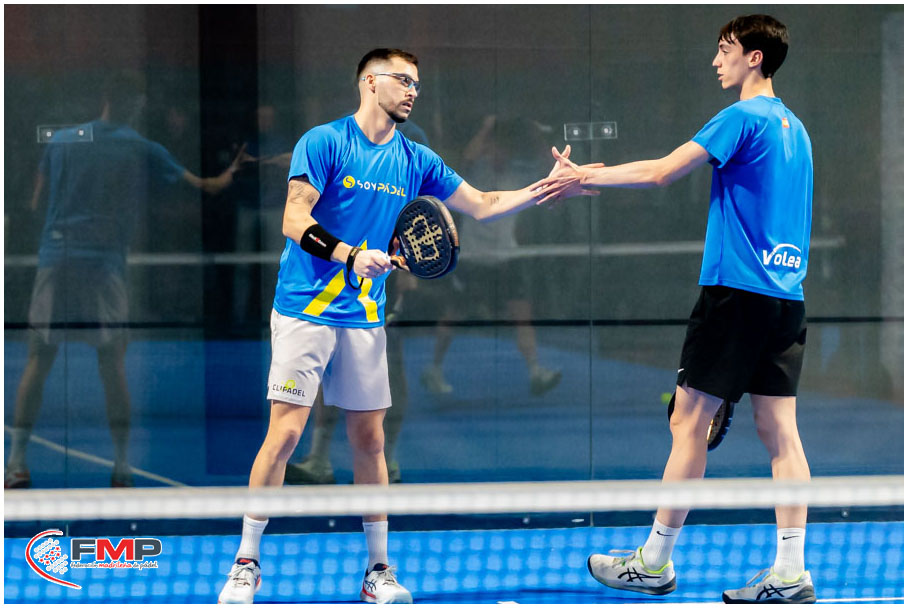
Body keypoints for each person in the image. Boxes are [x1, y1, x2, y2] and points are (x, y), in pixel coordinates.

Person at [217, 48, 592, 605]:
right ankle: (246, 565)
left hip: (365, 318)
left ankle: (378, 572)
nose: (413, 90)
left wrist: (546, 186)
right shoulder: (324, 142)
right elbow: (295, 219)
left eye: (417, 83)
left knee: (370, 441)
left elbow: (483, 204)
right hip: (303, 310)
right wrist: (349, 254)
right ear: (370, 82)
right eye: (403, 80)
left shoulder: (417, 159)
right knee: (286, 435)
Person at [541, 15, 815, 604]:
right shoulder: (796, 129)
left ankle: (654, 562)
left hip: (735, 296)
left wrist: (583, 175)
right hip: (786, 298)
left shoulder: (741, 117)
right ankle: (791, 573)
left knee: (687, 422)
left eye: (725, 50)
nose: (716, 61)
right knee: (781, 433)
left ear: (755, 58)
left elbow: (663, 172)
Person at [5, 71, 248, 490]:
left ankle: (15, 464)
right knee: (111, 364)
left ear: (104, 98)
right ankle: (121, 468)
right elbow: (206, 188)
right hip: (103, 266)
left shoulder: (61, 141)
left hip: (56, 260)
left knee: (38, 361)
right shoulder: (140, 146)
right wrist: (233, 172)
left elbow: (35, 201)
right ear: (134, 104)